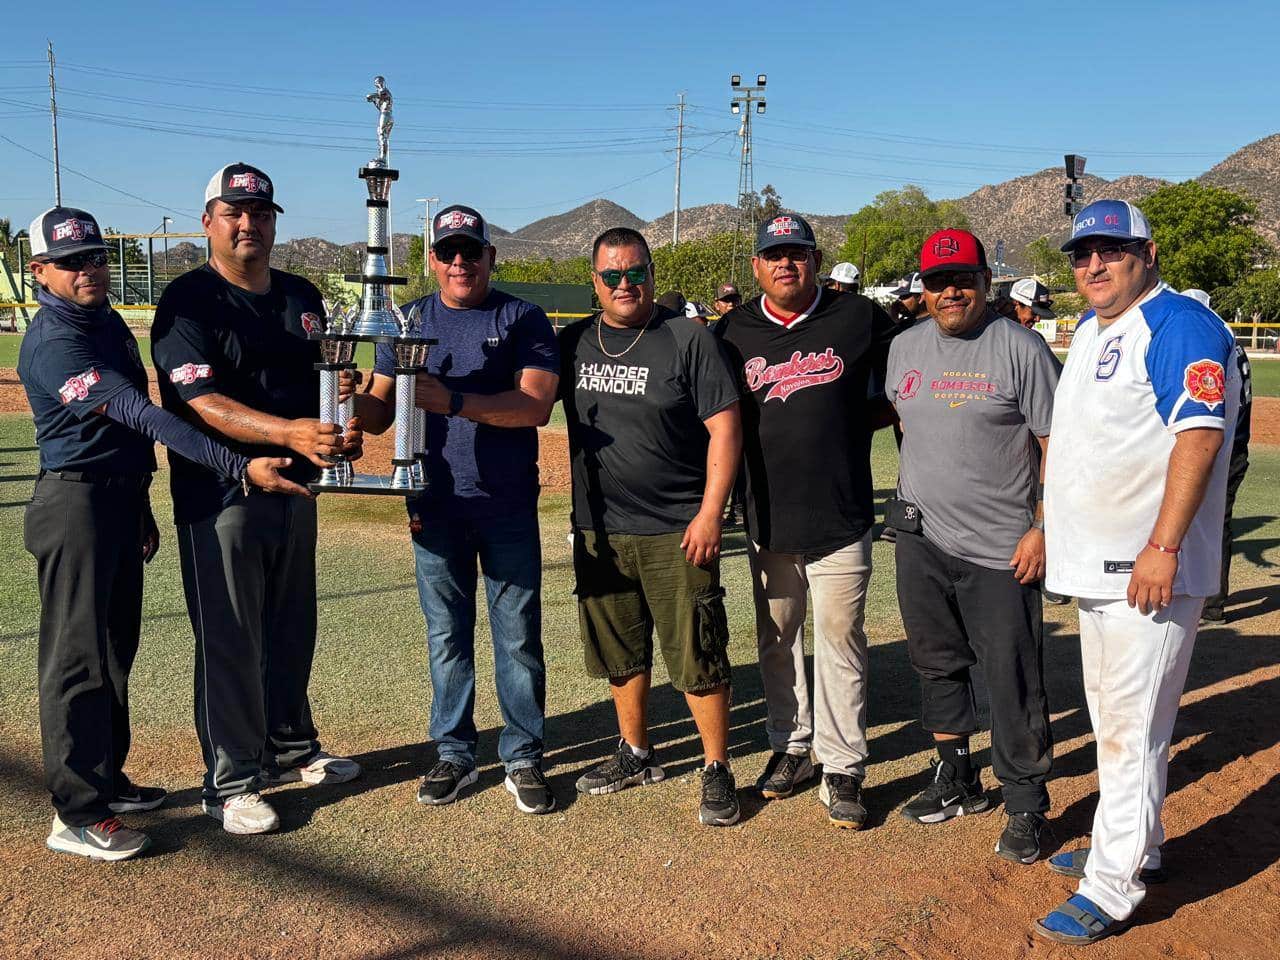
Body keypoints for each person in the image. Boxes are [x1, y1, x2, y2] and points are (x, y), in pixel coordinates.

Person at [18, 205, 303, 859]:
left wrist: (141, 503)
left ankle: (106, 780)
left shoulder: (104, 321)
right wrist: (237, 463)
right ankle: (76, 811)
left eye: (94, 255)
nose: (88, 268)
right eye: (70, 261)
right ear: (40, 272)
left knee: (115, 653)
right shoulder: (56, 339)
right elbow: (137, 414)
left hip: (115, 503)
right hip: (74, 507)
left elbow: (117, 436)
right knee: (77, 661)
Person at [1036, 199, 1239, 945]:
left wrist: (1163, 546)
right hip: (1099, 566)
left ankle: (1114, 884)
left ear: (1147, 255)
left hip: (1147, 568)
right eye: (1082, 253)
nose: (1093, 264)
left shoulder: (1178, 322)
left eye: (1111, 251)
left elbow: (1198, 437)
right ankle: (1135, 843)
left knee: (1128, 727)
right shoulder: (1094, 327)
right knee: (1121, 721)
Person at [151, 163, 365, 836]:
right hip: (222, 495)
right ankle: (231, 780)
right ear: (209, 221)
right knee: (231, 637)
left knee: (291, 623)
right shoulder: (188, 299)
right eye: (234, 211)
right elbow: (201, 401)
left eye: (262, 212)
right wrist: (289, 431)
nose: (250, 223)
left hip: (296, 488)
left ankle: (291, 745)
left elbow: (321, 392)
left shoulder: (301, 296)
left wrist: (338, 425)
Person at [354, 204, 560, 815]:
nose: (460, 261)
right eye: (448, 251)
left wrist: (454, 400)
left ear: (491, 257)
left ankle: (523, 755)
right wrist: (349, 394)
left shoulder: (522, 317)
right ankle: (456, 751)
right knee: (447, 636)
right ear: (431, 260)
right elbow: (380, 413)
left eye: (471, 250)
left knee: (517, 637)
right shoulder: (408, 317)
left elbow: (534, 408)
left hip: (505, 502)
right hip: (433, 500)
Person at [716, 213, 898, 828]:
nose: (786, 263)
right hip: (766, 519)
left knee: (841, 638)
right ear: (757, 266)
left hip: (843, 512)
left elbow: (898, 389)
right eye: (774, 254)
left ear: (816, 260)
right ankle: (791, 746)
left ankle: (843, 764)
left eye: (797, 253)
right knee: (776, 639)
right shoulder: (732, 331)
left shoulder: (859, 318)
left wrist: (846, 426)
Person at [886, 229, 1059, 864]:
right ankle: (958, 777)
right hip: (922, 537)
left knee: (1013, 677)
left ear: (987, 281)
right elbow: (909, 427)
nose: (950, 291)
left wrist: (1044, 526)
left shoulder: (1021, 348)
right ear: (922, 289)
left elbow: (1055, 443)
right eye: (936, 281)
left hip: (1001, 547)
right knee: (936, 662)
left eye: (962, 279)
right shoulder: (904, 348)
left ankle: (1025, 803)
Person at [561, 227, 743, 826]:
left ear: (651, 274)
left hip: (676, 525)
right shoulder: (575, 342)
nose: (624, 285)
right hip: (600, 528)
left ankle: (717, 767)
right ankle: (636, 752)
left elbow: (725, 429)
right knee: (620, 650)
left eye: (634, 272)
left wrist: (711, 512)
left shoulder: (686, 339)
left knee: (696, 650)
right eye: (611, 275)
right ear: (594, 282)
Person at [1181, 288, 1252, 624]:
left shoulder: (1209, 344)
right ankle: (1212, 599)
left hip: (1219, 449)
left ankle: (1208, 601)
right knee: (1217, 522)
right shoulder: (1231, 343)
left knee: (1202, 521)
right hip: (1237, 446)